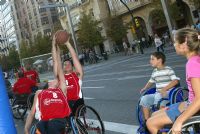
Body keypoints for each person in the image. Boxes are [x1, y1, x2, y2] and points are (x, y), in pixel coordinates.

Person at [146, 28, 200, 134]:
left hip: (194, 106)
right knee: (154, 114)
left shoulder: (192, 64)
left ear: (184, 43)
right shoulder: (196, 59)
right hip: (190, 102)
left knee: (150, 123)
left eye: (175, 41)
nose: (173, 44)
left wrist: (180, 120)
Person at [24, 35, 71, 134]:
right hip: (44, 122)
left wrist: (55, 45)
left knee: (52, 125)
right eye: (51, 79)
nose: (52, 79)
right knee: (41, 125)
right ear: (48, 84)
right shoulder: (40, 92)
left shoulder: (61, 90)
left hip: (58, 121)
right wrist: (26, 129)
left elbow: (57, 62)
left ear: (58, 83)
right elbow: (32, 113)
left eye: (54, 79)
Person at [139, 52, 180, 130]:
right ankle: (147, 122)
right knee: (144, 99)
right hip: (158, 93)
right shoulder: (154, 71)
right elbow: (151, 81)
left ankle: (159, 121)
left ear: (159, 60)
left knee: (158, 98)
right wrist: (145, 88)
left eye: (152, 59)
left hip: (168, 93)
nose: (150, 61)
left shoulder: (168, 70)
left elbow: (175, 81)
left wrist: (164, 89)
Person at [63, 39, 84, 112]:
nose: (67, 65)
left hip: (76, 102)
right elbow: (56, 62)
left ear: (73, 66)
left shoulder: (76, 74)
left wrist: (68, 43)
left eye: (69, 64)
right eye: (65, 64)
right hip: (65, 102)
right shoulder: (61, 77)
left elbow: (74, 57)